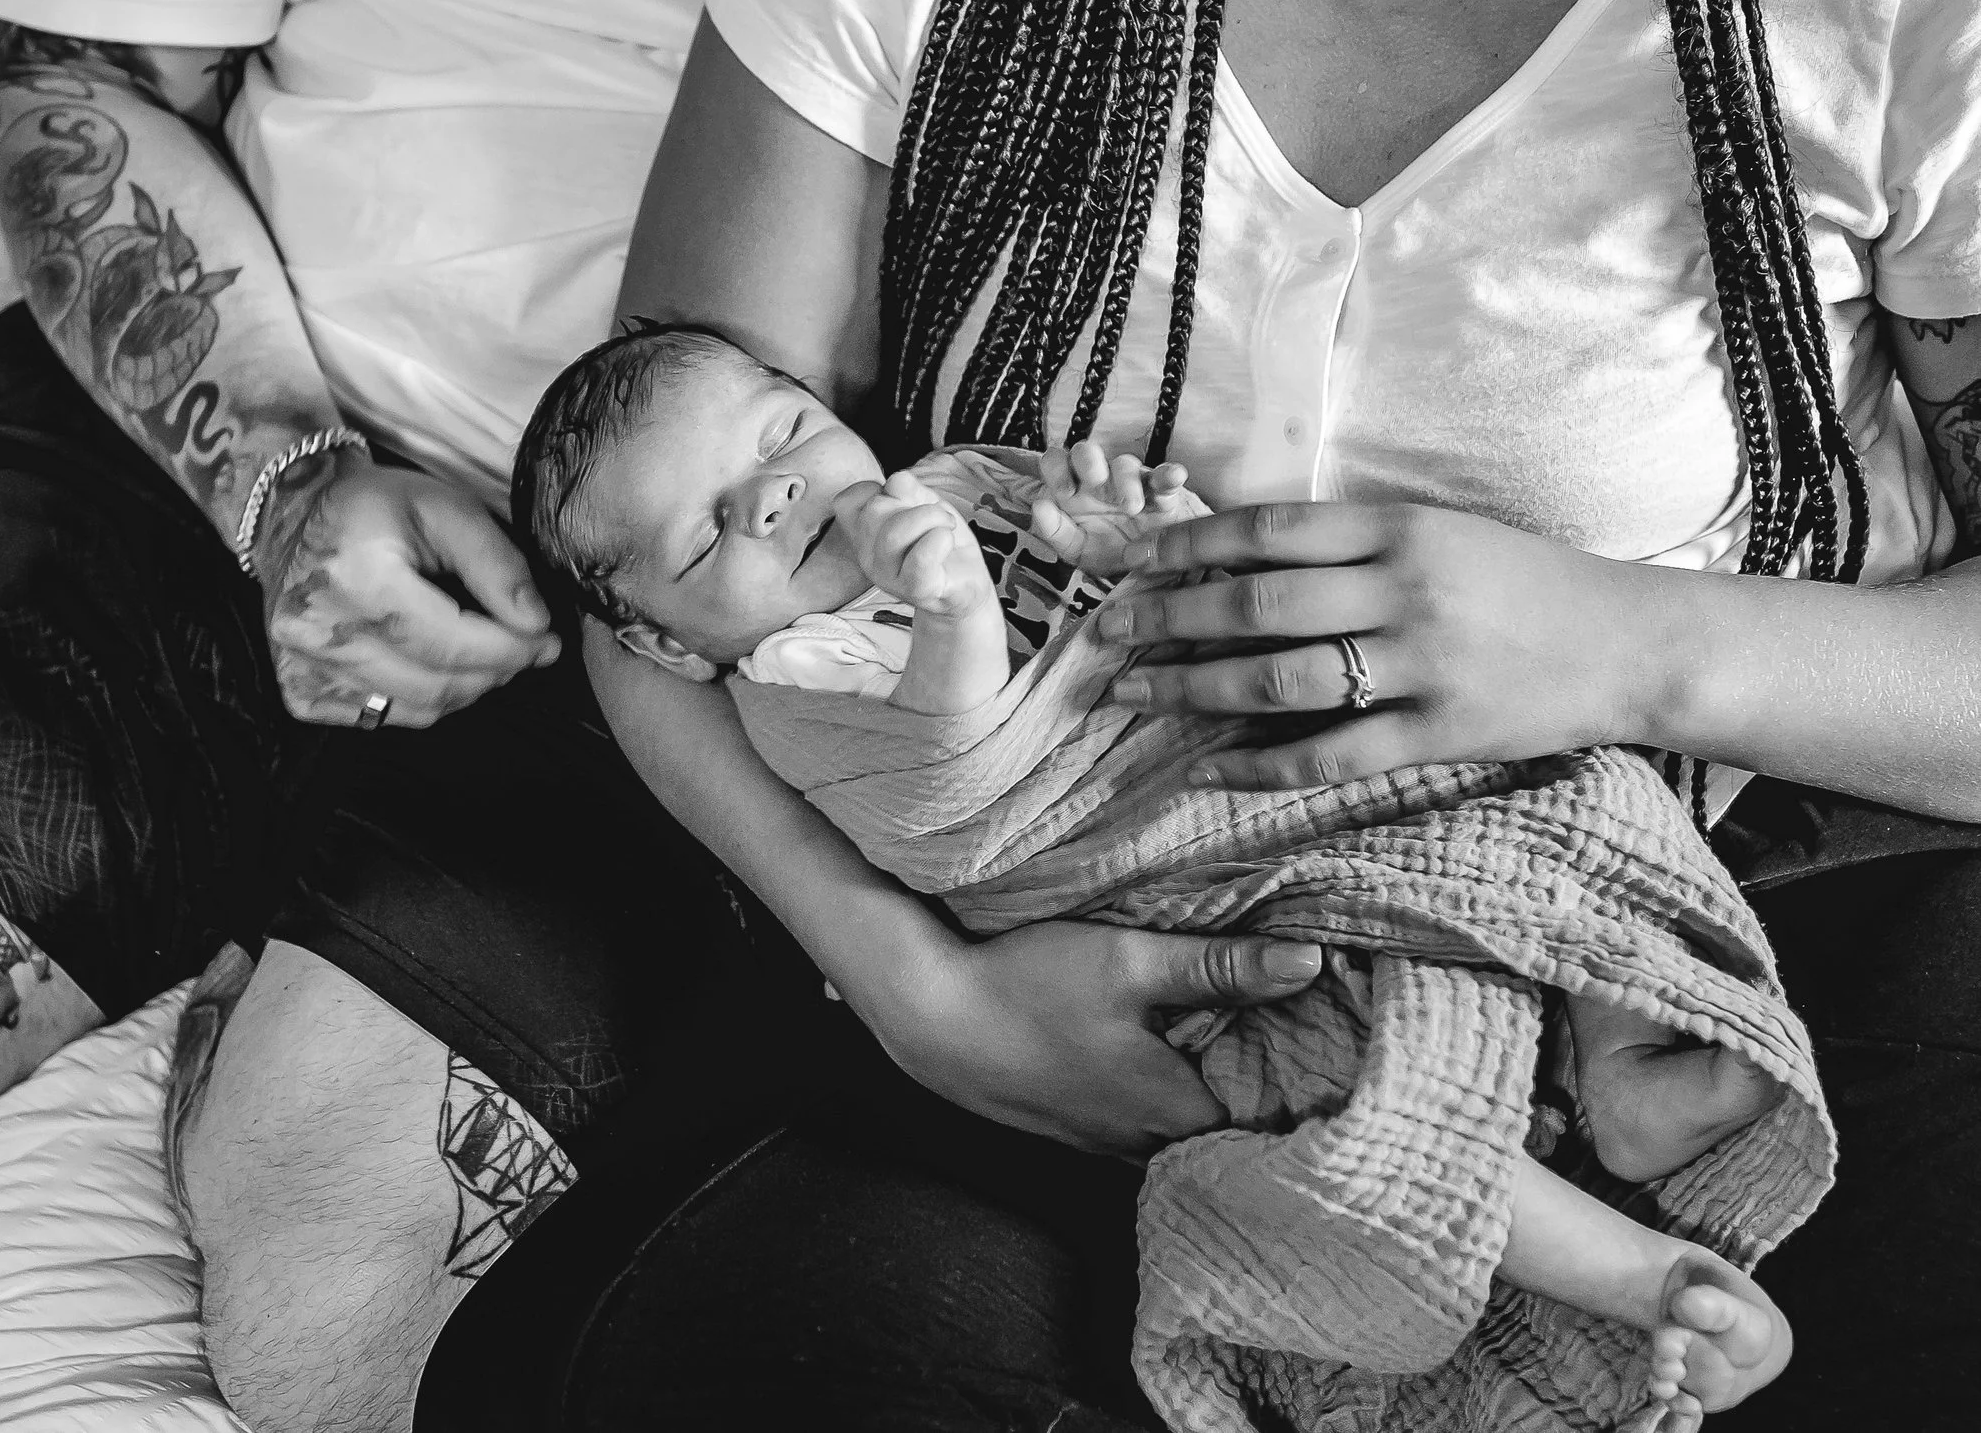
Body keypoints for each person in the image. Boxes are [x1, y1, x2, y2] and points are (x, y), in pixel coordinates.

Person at [0, 0, 1330, 1431]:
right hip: (215, 440)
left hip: (746, 600)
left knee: (335, 1296)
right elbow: (85, 82)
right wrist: (280, 487)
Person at [460, 0, 1981, 1425]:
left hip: (1745, 881)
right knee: (709, 1359)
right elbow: (654, 546)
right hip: (1071, 960)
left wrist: (1635, 651)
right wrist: (918, 987)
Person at [511, 321, 1800, 1426]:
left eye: (783, 433)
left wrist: (1139, 533)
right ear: (668, 649)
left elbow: (1181, 590)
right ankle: (1634, 1279)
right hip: (1154, 887)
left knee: (1566, 805)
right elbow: (942, 792)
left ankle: (1628, 1058)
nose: (775, 497)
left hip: (1295, 782)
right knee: (1341, 1092)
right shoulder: (792, 682)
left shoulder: (962, 488)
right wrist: (956, 612)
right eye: (704, 541)